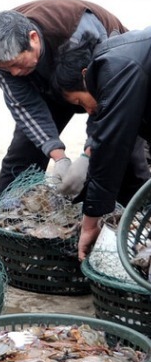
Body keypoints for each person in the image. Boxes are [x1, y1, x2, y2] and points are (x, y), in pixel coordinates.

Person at [0, 0, 148, 204]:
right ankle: (3, 221)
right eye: (7, 69)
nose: (14, 73)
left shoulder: (79, 33)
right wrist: (59, 156)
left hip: (111, 81)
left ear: (33, 38)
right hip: (47, 86)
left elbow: (109, 106)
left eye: (16, 64)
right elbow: (24, 105)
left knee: (125, 155)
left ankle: (134, 218)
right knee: (23, 153)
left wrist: (88, 155)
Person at [53, 27, 151, 260]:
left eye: (80, 100)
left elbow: (111, 150)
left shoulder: (116, 66)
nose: (88, 110)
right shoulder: (121, 58)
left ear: (86, 74)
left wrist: (89, 224)